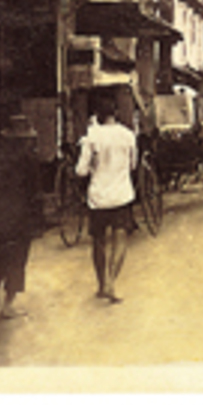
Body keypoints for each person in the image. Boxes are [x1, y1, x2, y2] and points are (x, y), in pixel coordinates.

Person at [75, 94, 137, 303]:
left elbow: (81, 170)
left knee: (99, 241)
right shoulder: (128, 135)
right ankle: (111, 281)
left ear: (97, 115)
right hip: (122, 195)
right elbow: (133, 165)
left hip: (98, 197)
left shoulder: (91, 136)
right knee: (120, 239)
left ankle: (102, 285)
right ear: (116, 113)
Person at [0, 114, 44, 319]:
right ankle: (8, 304)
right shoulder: (29, 160)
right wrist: (38, 220)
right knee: (17, 259)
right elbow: (35, 192)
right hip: (20, 217)